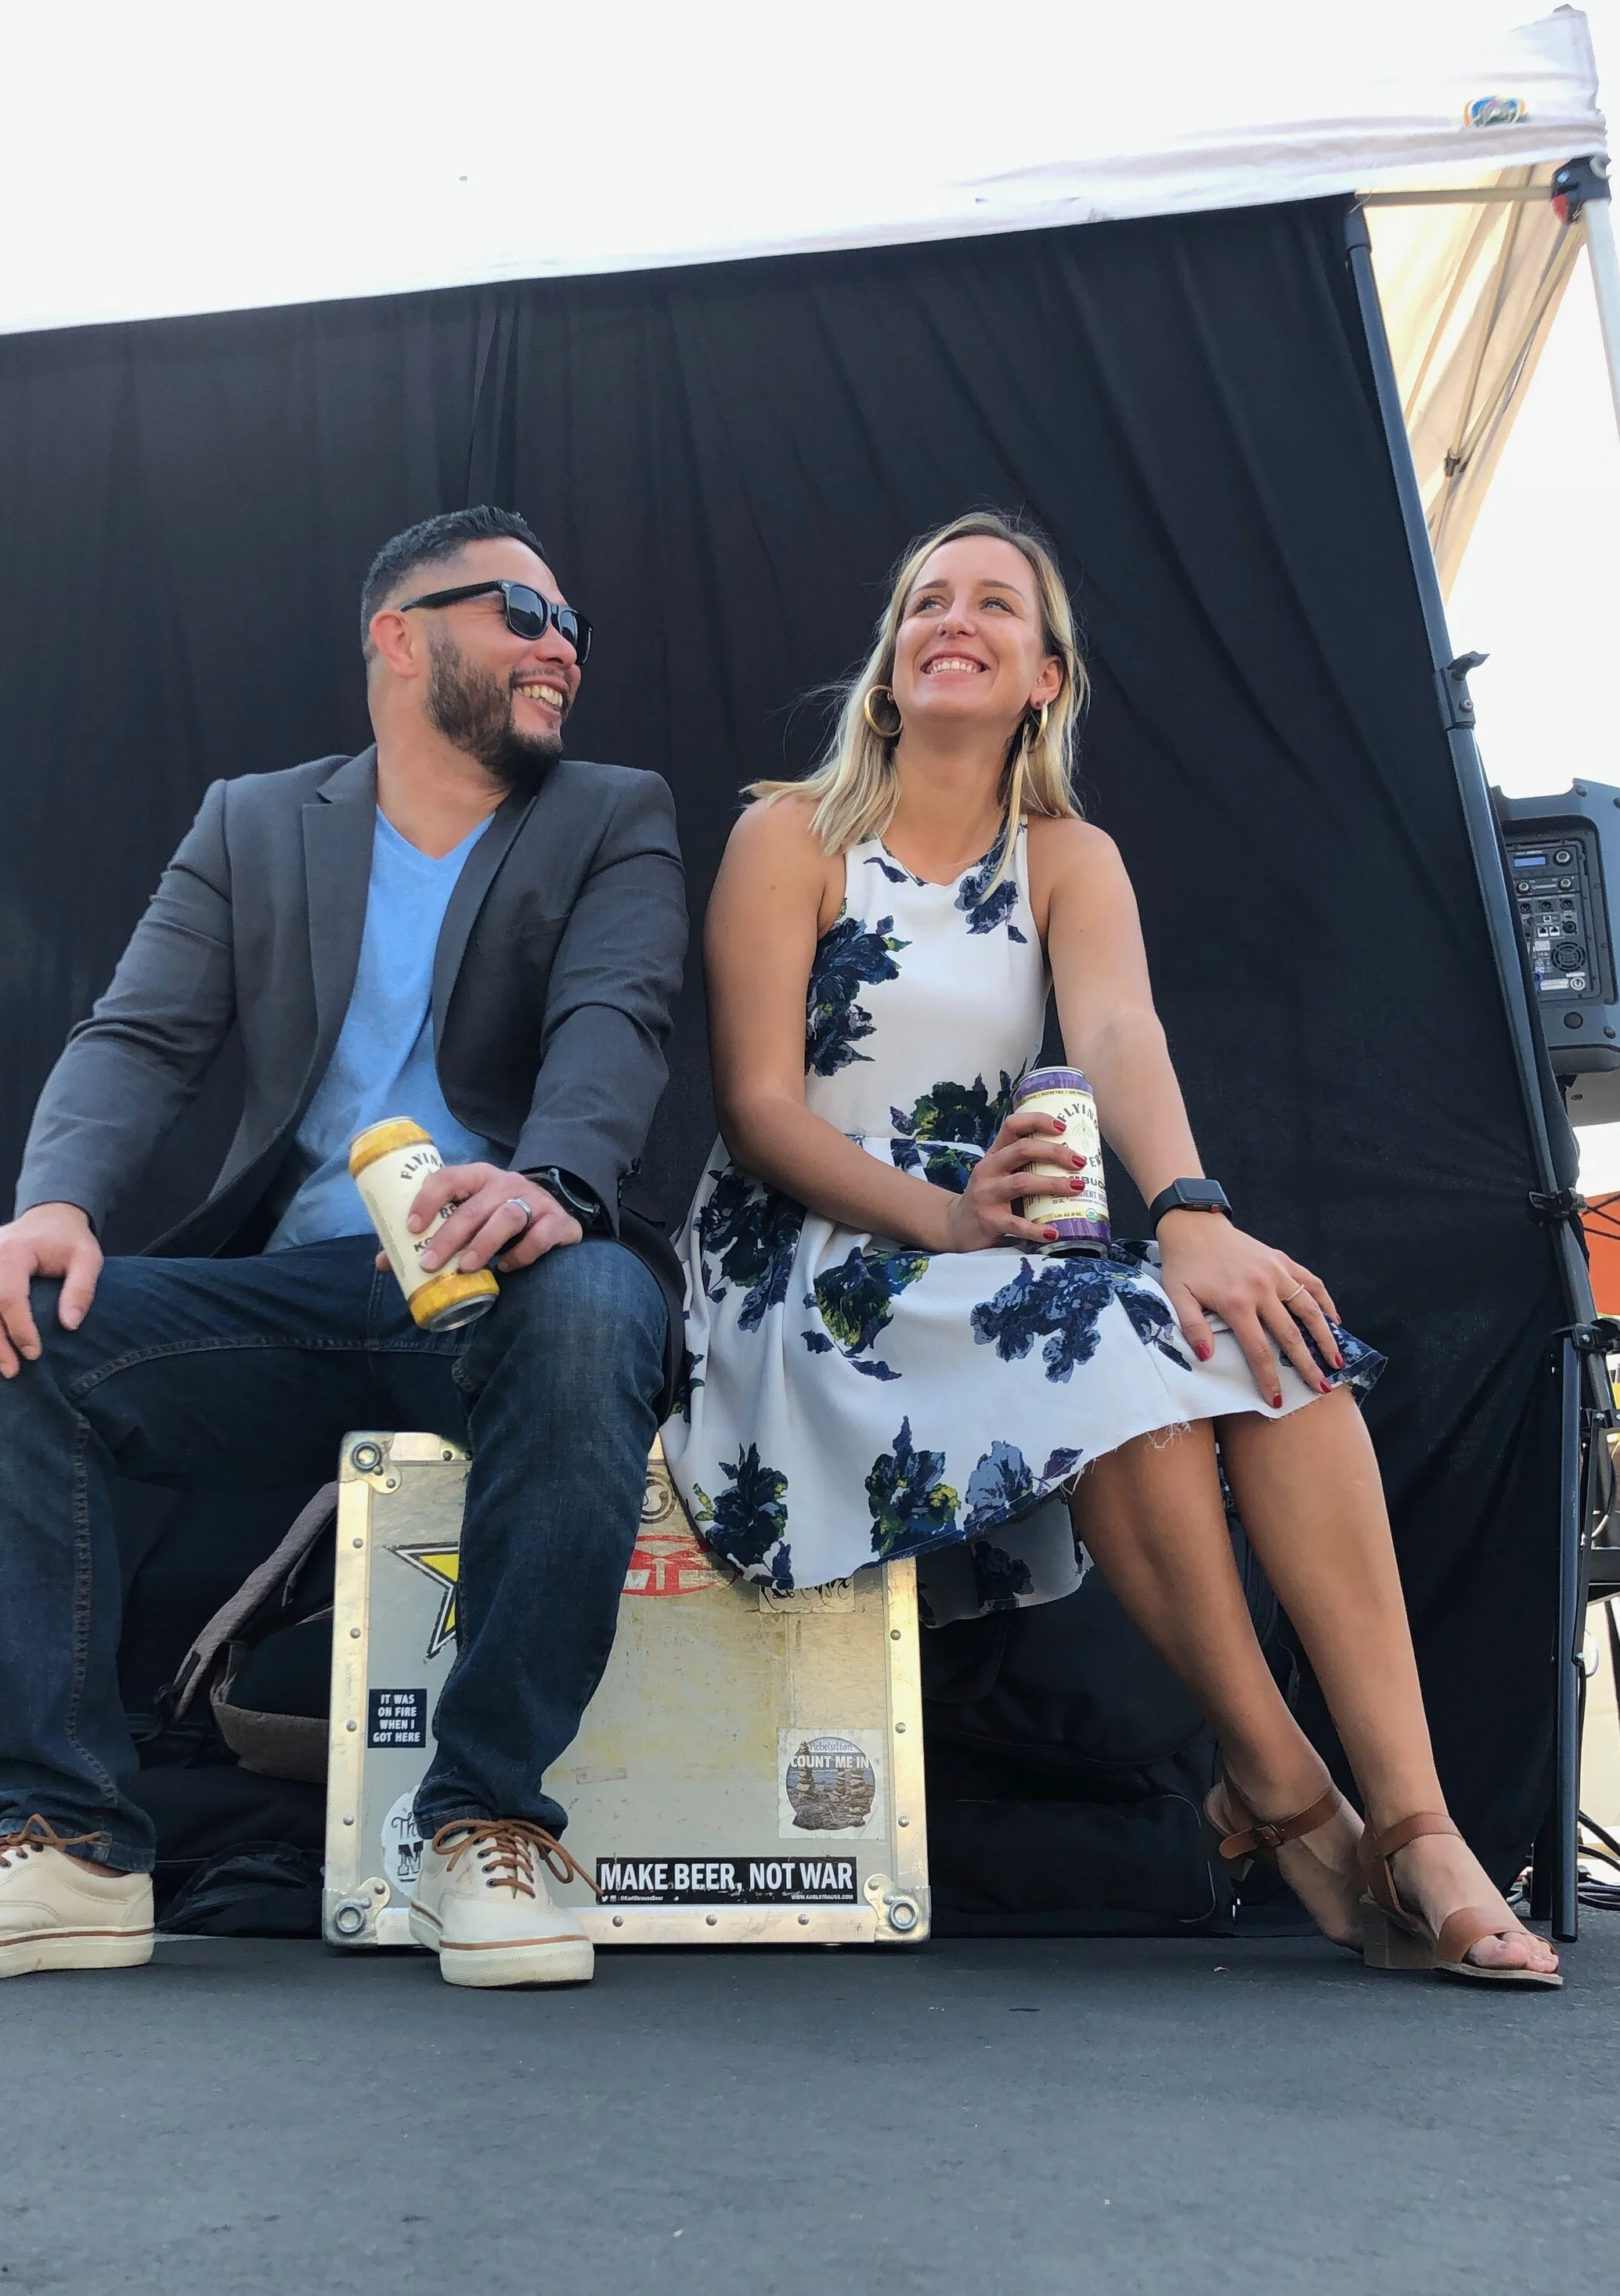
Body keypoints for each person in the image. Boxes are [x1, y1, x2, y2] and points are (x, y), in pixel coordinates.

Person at [664, 510, 1559, 1986]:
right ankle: (1287, 1789)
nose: (953, 620)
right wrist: (946, 1216)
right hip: (814, 1256)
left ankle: (1415, 1822)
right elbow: (757, 1111)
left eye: (993, 604)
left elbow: (1123, 1034)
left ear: (1046, 678)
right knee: (1101, 1341)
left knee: (1268, 1347)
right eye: (926, 602)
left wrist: (1193, 1213)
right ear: (890, 664)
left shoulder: (1070, 858)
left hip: (1000, 1247)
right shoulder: (792, 834)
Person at [0, 506, 685, 1991]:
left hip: (515, 1276)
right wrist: (54, 1208)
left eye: (573, 629)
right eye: (523, 615)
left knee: (598, 1303)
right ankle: (70, 1846)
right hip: (302, 1292)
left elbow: (620, 1013)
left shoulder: (613, 813)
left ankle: (482, 1823)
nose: (561, 650)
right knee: (2, 1333)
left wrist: (552, 1182)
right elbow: (139, 1037)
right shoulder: (254, 822)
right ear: (400, 635)